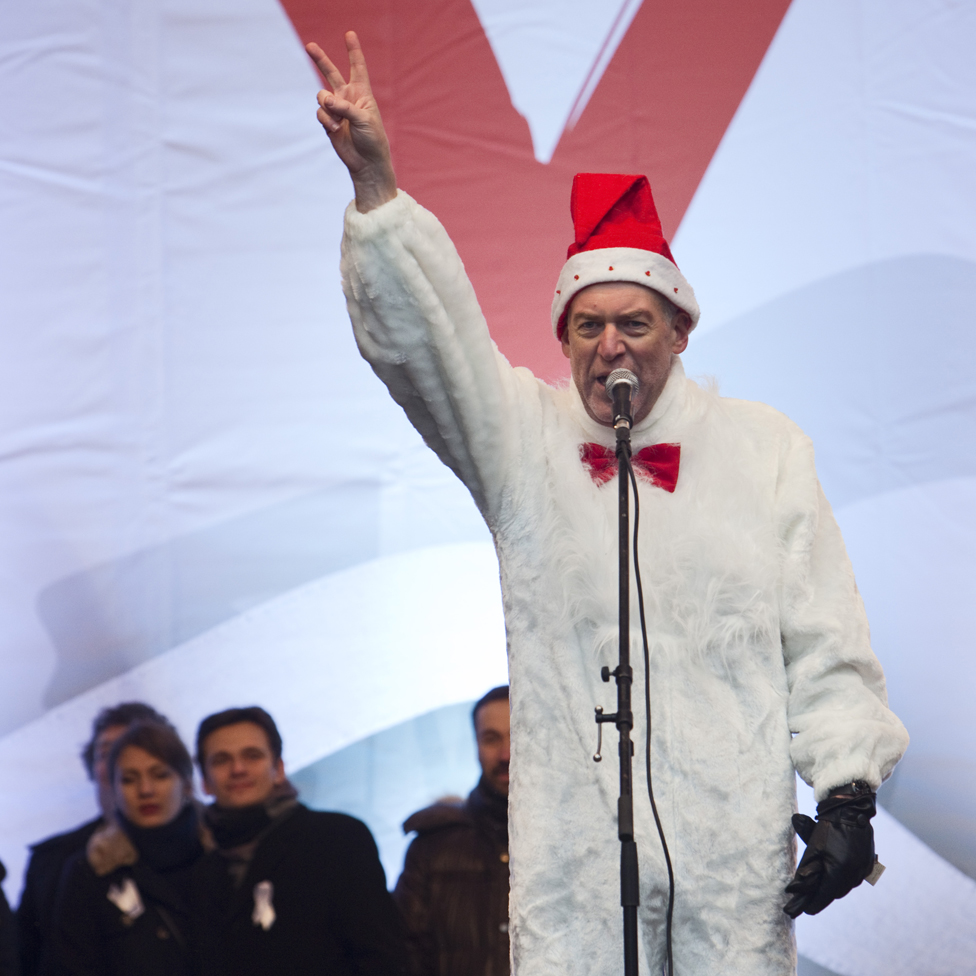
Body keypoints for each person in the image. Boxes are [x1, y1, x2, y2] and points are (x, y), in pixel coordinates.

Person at [305, 32, 911, 976]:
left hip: (730, 879)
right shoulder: (524, 442)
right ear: (563, 336)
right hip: (578, 884)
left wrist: (846, 797)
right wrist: (378, 193)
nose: (610, 345)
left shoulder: (765, 450)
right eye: (588, 325)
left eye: (634, 322)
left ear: (679, 331)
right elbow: (431, 350)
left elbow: (823, 639)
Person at [192, 706, 405, 976]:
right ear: (205, 781)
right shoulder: (201, 871)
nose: (238, 769)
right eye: (221, 760)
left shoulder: (337, 839)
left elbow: (382, 958)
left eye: (252, 755)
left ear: (279, 769)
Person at [18, 702, 174, 976]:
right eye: (107, 752)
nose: (120, 761)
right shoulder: (53, 862)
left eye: (135, 748)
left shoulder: (206, 843)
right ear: (93, 767)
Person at [51, 721, 204, 976]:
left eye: (160, 775)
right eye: (129, 780)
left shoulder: (223, 853)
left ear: (187, 784)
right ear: (114, 790)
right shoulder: (91, 872)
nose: (145, 790)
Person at [395, 686, 511, 976]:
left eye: (517, 736)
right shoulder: (432, 846)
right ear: (475, 745)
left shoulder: (573, 841)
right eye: (491, 739)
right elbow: (404, 955)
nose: (506, 754)